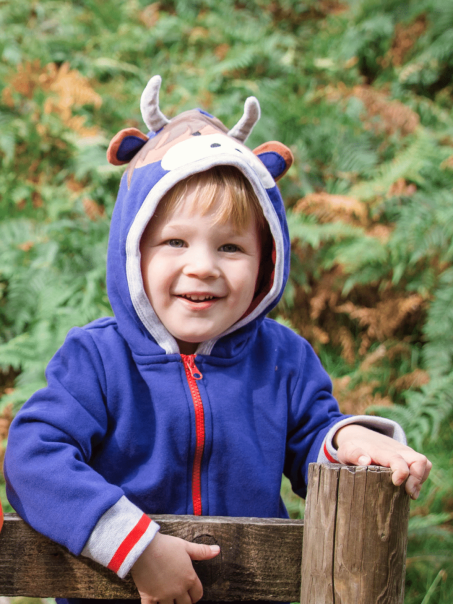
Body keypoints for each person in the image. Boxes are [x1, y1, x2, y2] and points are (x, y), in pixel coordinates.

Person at [4, 76, 431, 604]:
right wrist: (134, 547)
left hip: (251, 589)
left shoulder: (283, 360)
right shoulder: (98, 360)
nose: (203, 267)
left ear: (266, 262)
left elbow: (311, 438)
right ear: (133, 252)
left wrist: (349, 440)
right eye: (175, 241)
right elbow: (33, 458)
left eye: (230, 247)